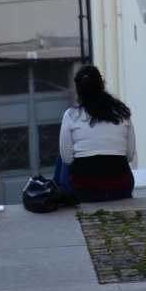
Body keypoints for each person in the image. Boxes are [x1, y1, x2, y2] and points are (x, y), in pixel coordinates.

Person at [53, 64, 135, 203]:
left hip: (82, 191)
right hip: (121, 188)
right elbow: (130, 156)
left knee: (63, 155)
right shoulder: (122, 113)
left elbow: (67, 160)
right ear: (102, 85)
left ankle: (55, 194)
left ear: (78, 89)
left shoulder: (71, 115)